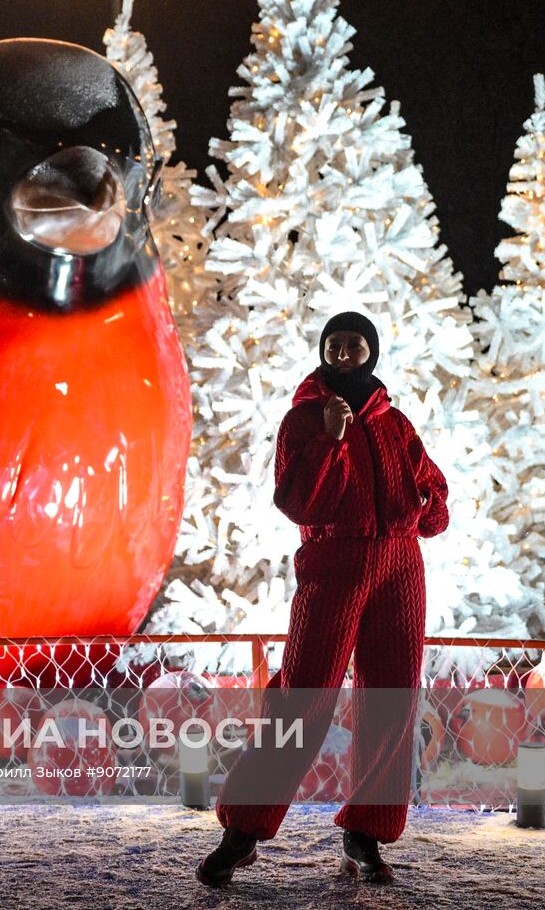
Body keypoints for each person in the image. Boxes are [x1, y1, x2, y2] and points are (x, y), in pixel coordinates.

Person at [196, 310, 449, 887]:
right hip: (333, 565)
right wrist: (332, 441)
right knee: (302, 694)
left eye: (353, 344)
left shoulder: (396, 423)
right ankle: (242, 830)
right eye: (333, 343)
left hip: (400, 569)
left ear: (370, 352)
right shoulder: (304, 420)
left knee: (390, 698)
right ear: (323, 351)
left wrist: (423, 506)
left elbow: (435, 500)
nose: (343, 352)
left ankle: (365, 835)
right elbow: (300, 503)